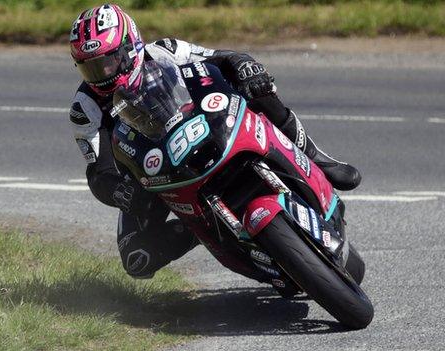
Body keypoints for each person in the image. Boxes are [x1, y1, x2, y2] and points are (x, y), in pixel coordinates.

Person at [69, 4, 361, 279]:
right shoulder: (85, 107)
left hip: (203, 126)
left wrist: (246, 65)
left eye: (107, 62)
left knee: (256, 88)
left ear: (130, 45)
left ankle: (313, 155)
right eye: (90, 68)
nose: (102, 75)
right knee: (137, 258)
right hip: (150, 174)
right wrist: (119, 192)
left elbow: (222, 58)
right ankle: (198, 227)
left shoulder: (165, 51)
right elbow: (100, 170)